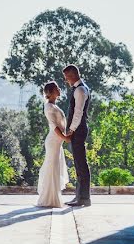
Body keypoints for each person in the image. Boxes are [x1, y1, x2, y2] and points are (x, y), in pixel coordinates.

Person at [36, 81, 71, 208]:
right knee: (52, 168)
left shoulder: (53, 106)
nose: (59, 89)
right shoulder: (49, 107)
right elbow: (54, 126)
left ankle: (54, 196)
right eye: (57, 88)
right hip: (53, 141)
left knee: (55, 168)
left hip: (57, 142)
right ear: (50, 92)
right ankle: (50, 199)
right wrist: (65, 137)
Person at [63, 64, 92, 207]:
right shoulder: (80, 88)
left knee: (81, 164)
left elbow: (78, 112)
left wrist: (71, 130)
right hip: (78, 129)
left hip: (79, 130)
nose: (66, 80)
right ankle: (79, 196)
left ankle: (84, 198)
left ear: (73, 75)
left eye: (67, 77)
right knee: (78, 164)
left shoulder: (80, 90)